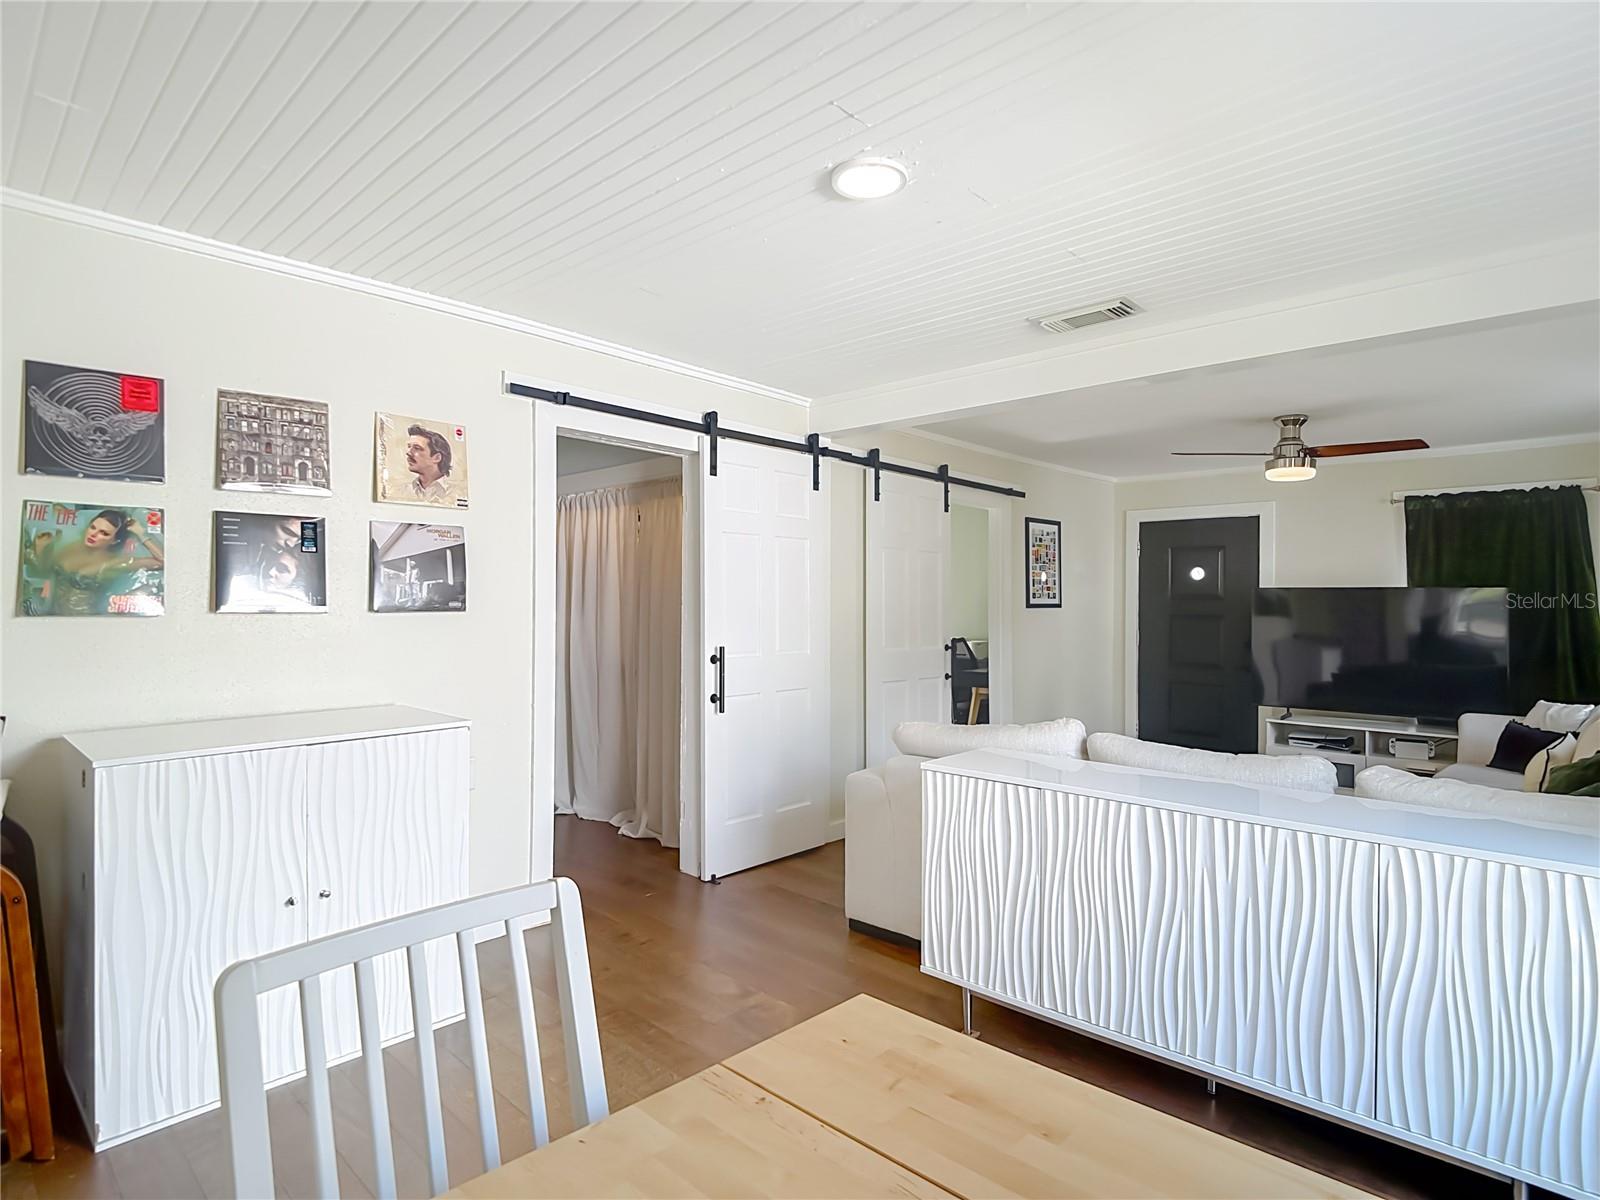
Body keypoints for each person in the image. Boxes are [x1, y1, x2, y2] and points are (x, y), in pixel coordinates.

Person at [23, 509, 163, 615]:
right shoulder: (71, 546)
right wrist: (40, 548)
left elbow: (162, 561)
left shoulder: (115, 562)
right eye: (93, 527)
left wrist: (141, 533)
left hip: (83, 621)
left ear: (114, 540)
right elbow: (44, 572)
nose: (93, 534)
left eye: (104, 533)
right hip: (51, 614)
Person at [404, 425, 462, 505]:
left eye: (417, 448)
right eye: (409, 447)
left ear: (437, 458)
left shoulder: (457, 493)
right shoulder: (405, 490)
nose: (408, 452)